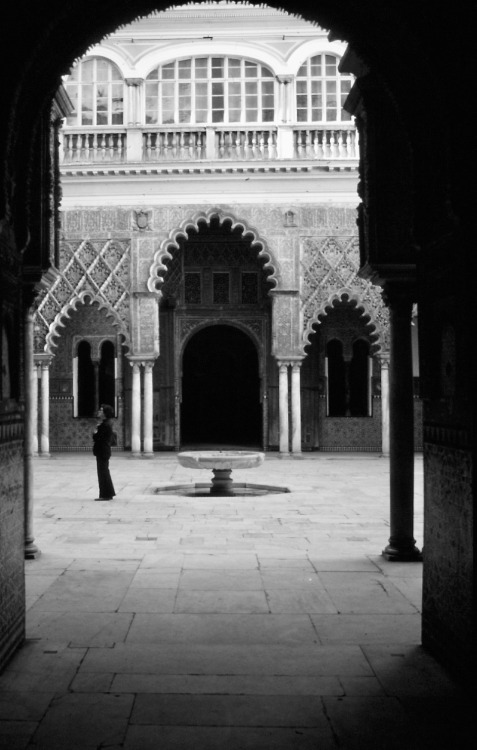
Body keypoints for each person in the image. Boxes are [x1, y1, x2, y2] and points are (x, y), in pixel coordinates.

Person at [92, 404, 116, 501]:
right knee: (104, 472)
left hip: (102, 451)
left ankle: (106, 494)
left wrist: (95, 432)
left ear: (105, 413)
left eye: (101, 410)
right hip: (104, 451)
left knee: (103, 473)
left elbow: (97, 438)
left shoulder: (104, 425)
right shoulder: (107, 424)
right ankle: (108, 493)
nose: (99, 412)